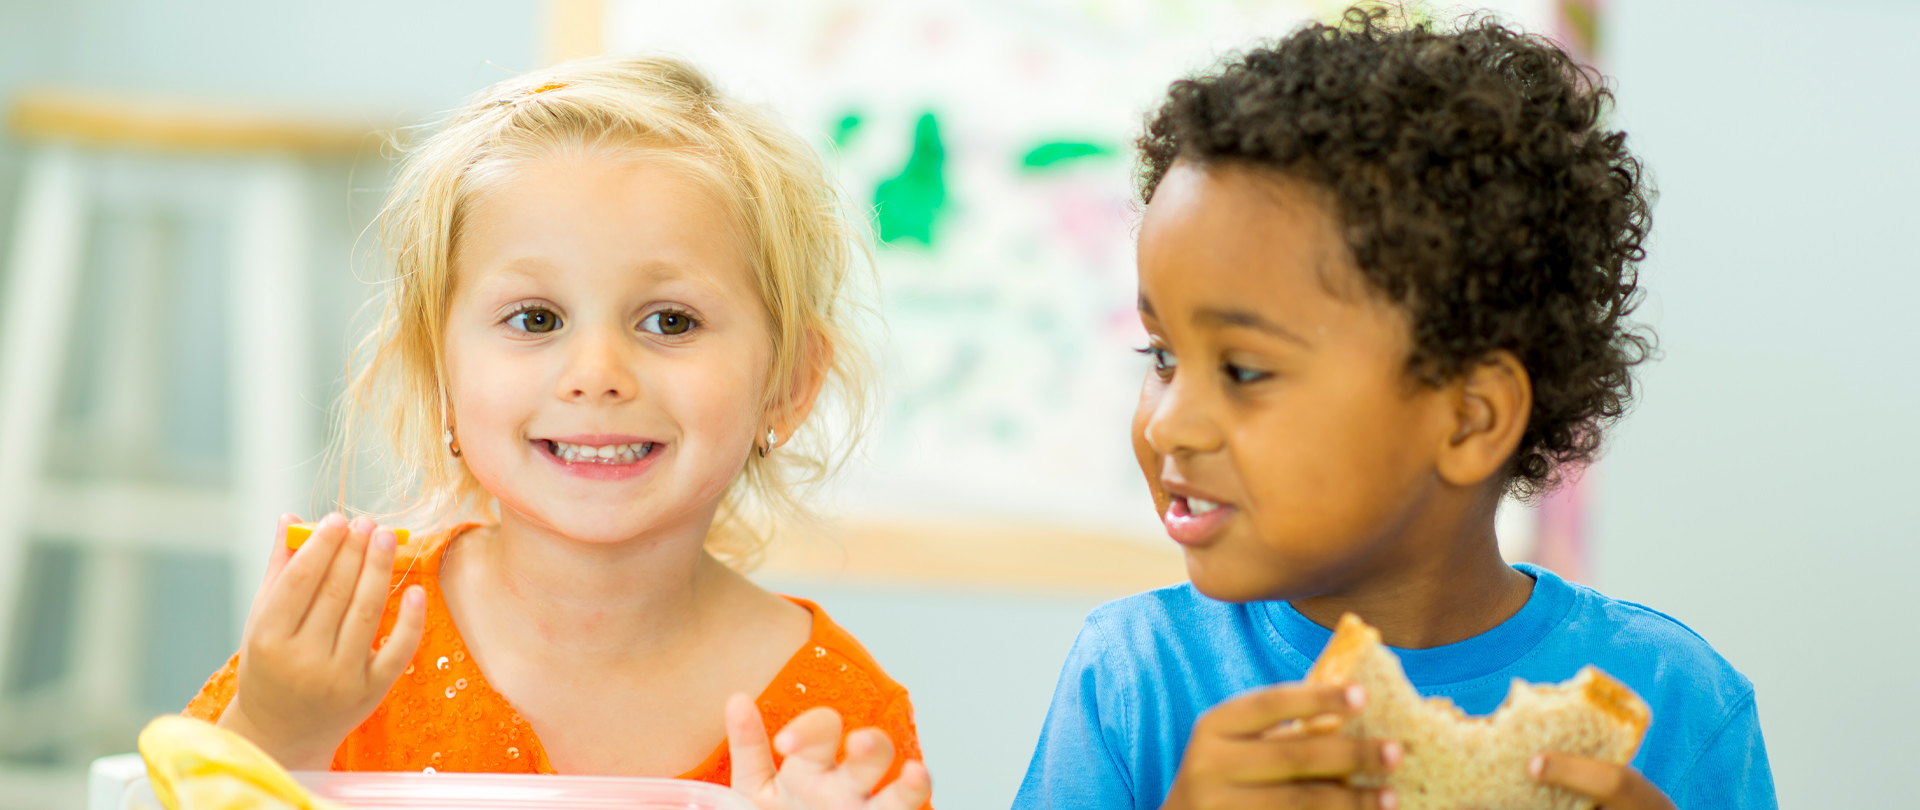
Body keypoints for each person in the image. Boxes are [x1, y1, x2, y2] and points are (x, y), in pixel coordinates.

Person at [1015, 9, 1773, 810]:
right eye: (1163, 356)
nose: (1168, 423)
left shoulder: (1677, 701)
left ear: (1469, 418)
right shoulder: (1134, 676)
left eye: (1241, 368)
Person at [184, 55, 931, 810]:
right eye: (536, 319)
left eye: (670, 321)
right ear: (436, 371)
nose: (597, 372)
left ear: (790, 384)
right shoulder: (348, 639)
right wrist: (275, 735)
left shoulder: (837, 718)